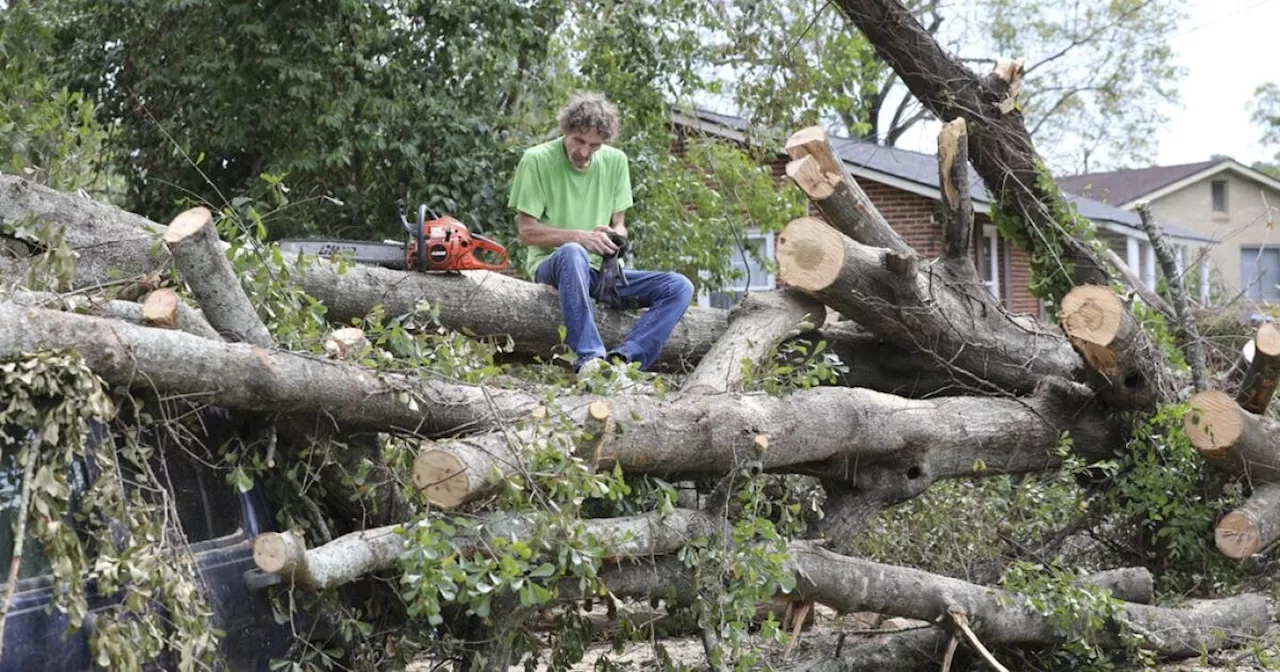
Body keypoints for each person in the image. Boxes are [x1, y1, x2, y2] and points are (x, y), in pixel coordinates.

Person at [508, 92, 693, 377]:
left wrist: (613, 234)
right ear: (566, 130)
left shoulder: (616, 162)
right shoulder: (536, 160)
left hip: (601, 273)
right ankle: (590, 360)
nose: (584, 152)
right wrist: (579, 237)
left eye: (594, 145)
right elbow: (527, 232)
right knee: (572, 252)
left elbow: (620, 225)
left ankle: (623, 364)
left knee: (679, 287)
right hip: (555, 268)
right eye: (578, 141)